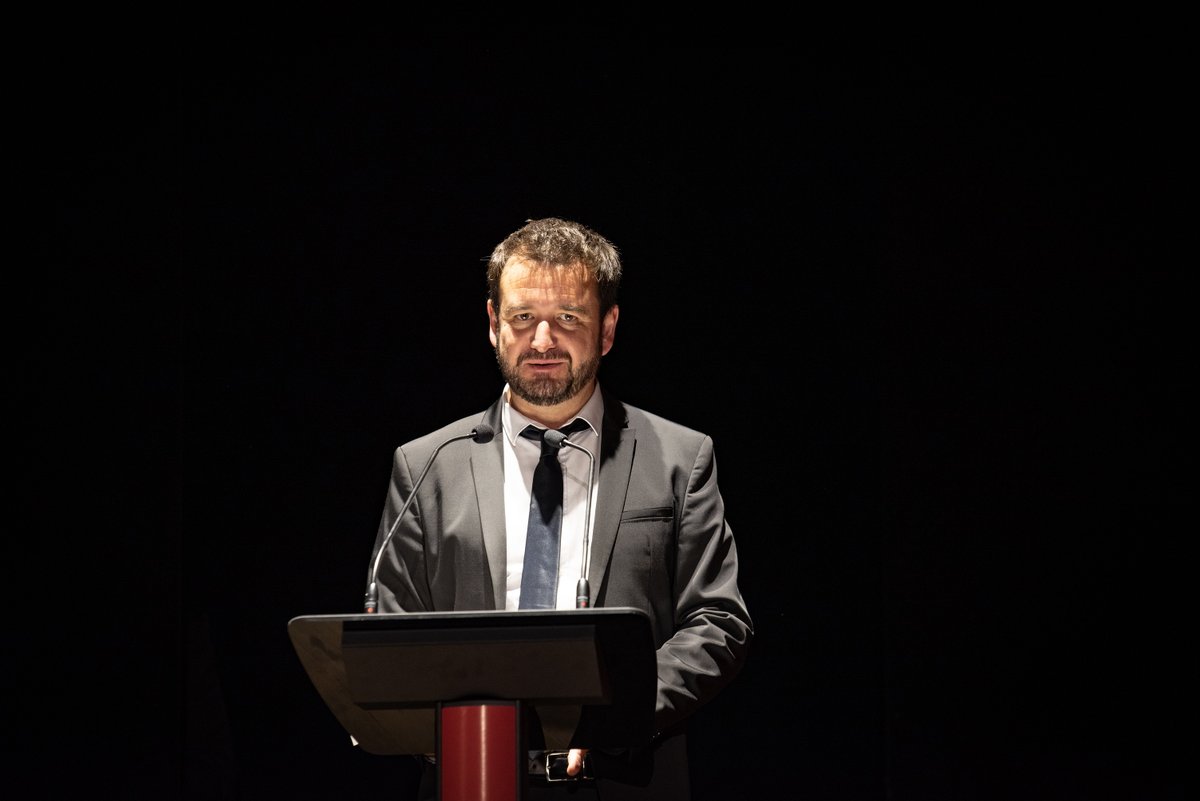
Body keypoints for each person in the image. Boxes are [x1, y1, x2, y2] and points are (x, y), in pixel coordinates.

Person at [369, 217, 753, 800]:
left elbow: (719, 622)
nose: (543, 340)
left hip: (624, 777)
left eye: (568, 318)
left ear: (607, 329)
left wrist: (619, 715)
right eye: (523, 318)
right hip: (471, 779)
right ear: (494, 325)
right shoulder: (426, 464)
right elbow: (394, 633)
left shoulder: (680, 458)